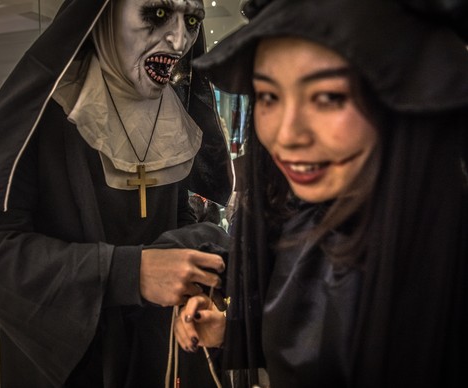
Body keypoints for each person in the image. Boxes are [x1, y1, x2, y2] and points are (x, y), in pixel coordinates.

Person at [175, 0, 468, 386]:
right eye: (268, 97)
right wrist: (232, 333)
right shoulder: (305, 216)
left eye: (328, 97)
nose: (286, 135)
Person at [0, 0, 232, 387]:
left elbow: (175, 213)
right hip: (73, 354)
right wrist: (128, 272)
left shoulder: (174, 116)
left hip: (158, 348)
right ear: (103, 13)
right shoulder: (41, 115)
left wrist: (191, 280)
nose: (180, 39)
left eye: (193, 20)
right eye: (159, 14)